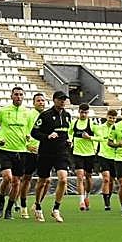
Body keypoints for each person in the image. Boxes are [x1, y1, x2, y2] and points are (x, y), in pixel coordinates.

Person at [0, 87, 35, 220]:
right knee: (7, 178)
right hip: (5, 150)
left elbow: (31, 131)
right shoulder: (3, 111)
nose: (18, 97)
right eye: (16, 94)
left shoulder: (27, 113)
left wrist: (29, 140)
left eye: (21, 95)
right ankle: (1, 200)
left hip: (21, 151)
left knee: (17, 182)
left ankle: (9, 209)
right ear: (11, 96)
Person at [30, 90, 72, 223]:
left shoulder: (67, 115)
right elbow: (34, 132)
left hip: (61, 153)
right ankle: (38, 205)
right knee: (42, 181)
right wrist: (47, 136)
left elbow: (66, 132)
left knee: (63, 179)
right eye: (60, 99)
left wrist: (69, 140)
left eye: (64, 99)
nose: (62, 101)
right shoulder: (45, 115)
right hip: (46, 153)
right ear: (54, 100)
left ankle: (56, 209)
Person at [20, 92, 47, 218]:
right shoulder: (29, 115)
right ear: (33, 103)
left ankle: (37, 203)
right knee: (27, 178)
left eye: (43, 100)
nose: (41, 103)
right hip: (31, 151)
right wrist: (26, 145)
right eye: (38, 101)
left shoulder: (48, 115)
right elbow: (22, 131)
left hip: (45, 152)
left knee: (47, 180)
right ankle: (23, 205)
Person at [68, 103, 98, 211]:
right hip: (77, 153)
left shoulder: (92, 124)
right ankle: (81, 201)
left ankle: (87, 196)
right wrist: (70, 140)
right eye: (82, 112)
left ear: (88, 113)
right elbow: (69, 133)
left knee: (88, 177)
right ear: (79, 112)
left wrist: (90, 138)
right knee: (80, 176)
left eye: (85, 112)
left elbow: (99, 137)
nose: (83, 114)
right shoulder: (74, 123)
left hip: (89, 153)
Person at [96, 107, 118, 210]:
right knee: (106, 179)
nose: (112, 120)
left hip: (114, 156)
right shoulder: (100, 128)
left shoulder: (117, 128)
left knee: (111, 180)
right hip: (103, 155)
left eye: (114, 118)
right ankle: (106, 203)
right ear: (106, 117)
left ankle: (108, 196)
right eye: (110, 117)